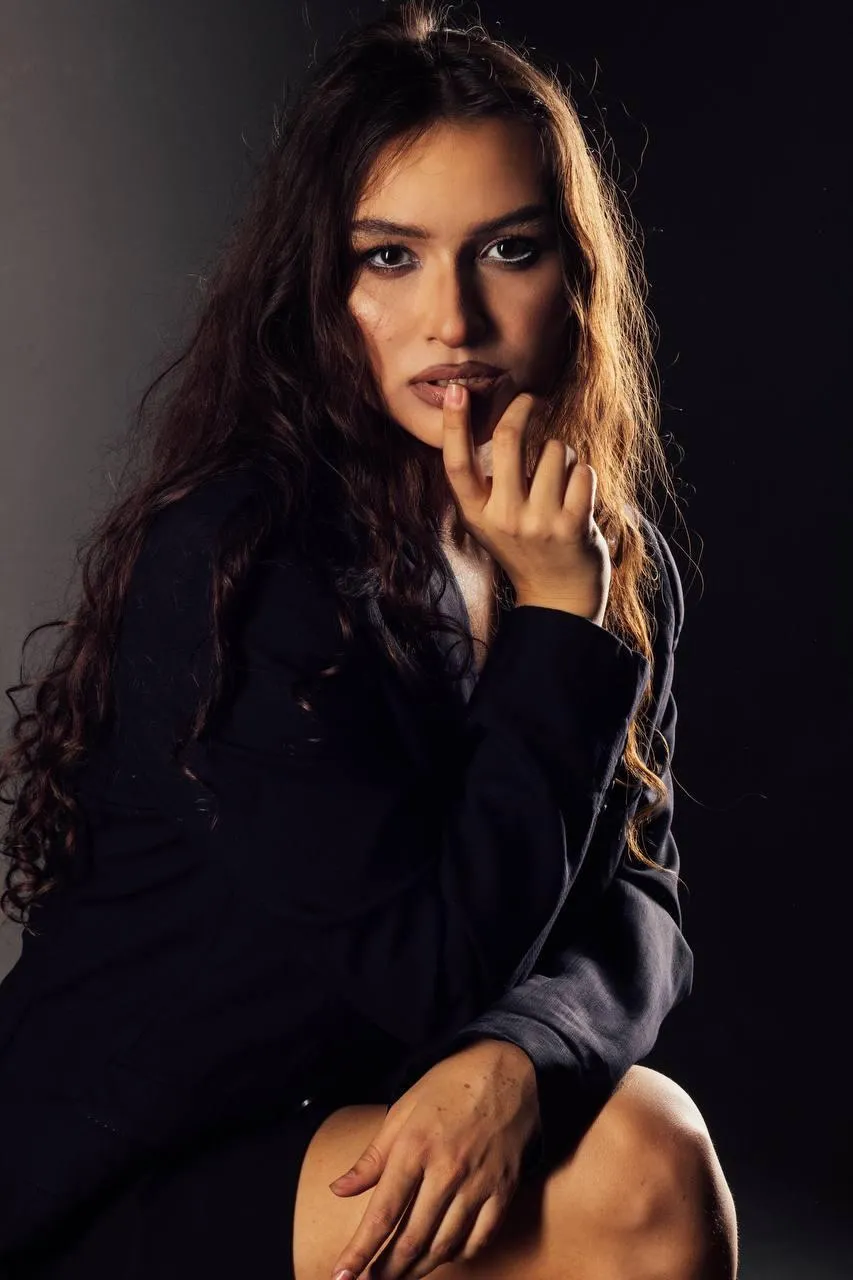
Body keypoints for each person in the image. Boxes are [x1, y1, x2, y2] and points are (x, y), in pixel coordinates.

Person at [0, 2, 738, 1277]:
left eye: (505, 249)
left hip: (372, 1110)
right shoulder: (244, 558)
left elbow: (644, 903)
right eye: (390, 258)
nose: (452, 317)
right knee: (637, 1179)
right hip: (147, 1162)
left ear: (575, 276)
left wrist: (524, 1052)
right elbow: (417, 971)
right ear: (320, 286)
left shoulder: (601, 551)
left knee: (650, 1152)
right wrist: (555, 623)